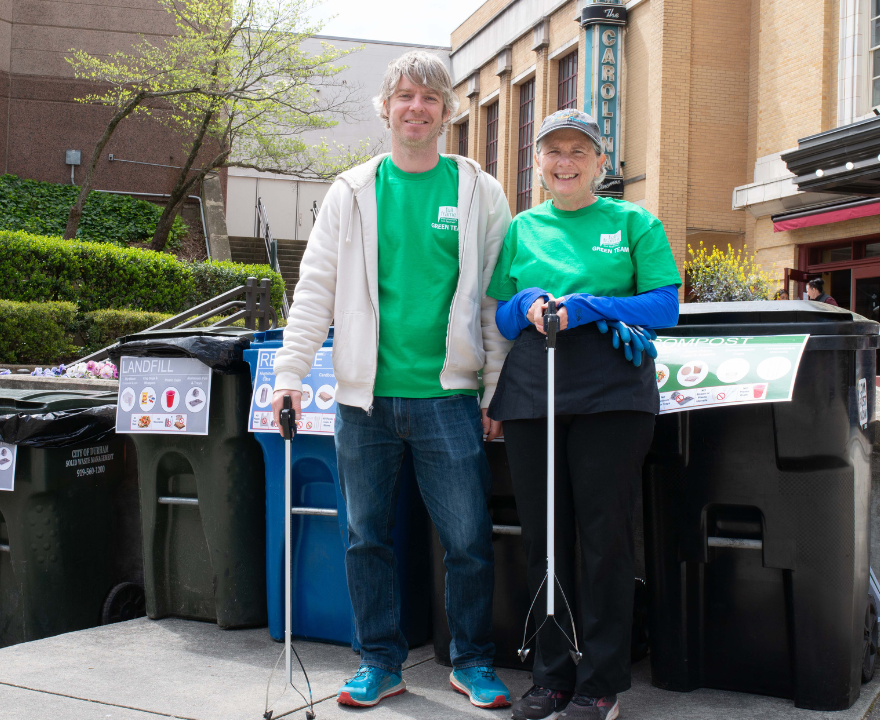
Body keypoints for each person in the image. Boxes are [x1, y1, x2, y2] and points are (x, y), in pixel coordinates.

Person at [270, 51, 513, 710]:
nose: (415, 107)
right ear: (386, 107)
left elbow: (494, 298)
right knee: (365, 537)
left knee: (467, 540)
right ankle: (379, 662)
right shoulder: (350, 191)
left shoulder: (478, 192)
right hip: (363, 401)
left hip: (450, 400)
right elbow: (315, 288)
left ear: (446, 111)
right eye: (404, 96)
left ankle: (471, 660)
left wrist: (495, 391)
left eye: (429, 98)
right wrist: (289, 374)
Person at [486, 109, 682, 720]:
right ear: (536, 164)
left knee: (604, 538)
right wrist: (525, 303)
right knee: (546, 536)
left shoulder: (634, 223)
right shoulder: (521, 228)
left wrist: (590, 306)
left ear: (602, 162)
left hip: (611, 394)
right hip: (531, 393)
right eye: (552, 152)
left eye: (579, 150)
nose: (564, 161)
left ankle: (600, 683)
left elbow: (665, 306)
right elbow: (498, 314)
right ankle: (551, 677)